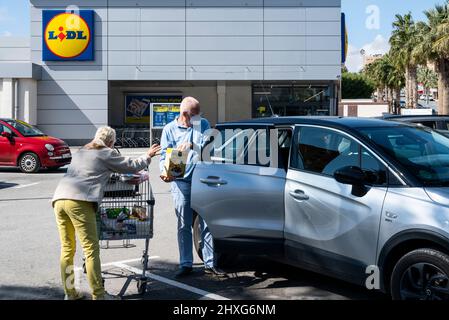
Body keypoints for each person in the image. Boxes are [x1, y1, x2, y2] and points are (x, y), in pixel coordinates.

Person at [52, 126, 160, 300]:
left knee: (67, 249)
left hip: (59, 199)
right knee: (91, 250)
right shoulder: (105, 153)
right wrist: (148, 156)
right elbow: (129, 166)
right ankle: (99, 295)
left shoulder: (82, 151)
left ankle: (70, 293)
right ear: (111, 142)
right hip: (80, 202)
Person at [160, 97, 225, 278]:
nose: (199, 118)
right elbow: (164, 157)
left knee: (206, 222)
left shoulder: (202, 123)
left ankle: (210, 263)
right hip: (181, 182)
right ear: (185, 115)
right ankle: (186, 263)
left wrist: (193, 145)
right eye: (195, 115)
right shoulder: (169, 130)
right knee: (184, 224)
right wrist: (164, 172)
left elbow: (211, 146)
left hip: (202, 180)